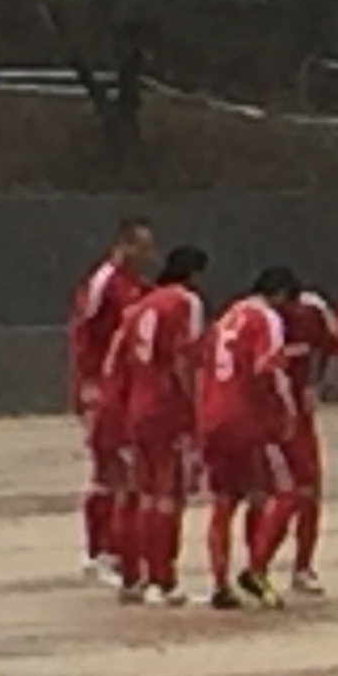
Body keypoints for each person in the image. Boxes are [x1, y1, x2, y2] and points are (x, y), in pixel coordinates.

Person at [98, 245, 206, 606]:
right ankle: (163, 578)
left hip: (135, 406)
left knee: (138, 493)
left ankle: (133, 576)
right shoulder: (184, 303)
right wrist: (194, 410)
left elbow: (116, 361)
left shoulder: (137, 308)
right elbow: (185, 359)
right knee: (168, 496)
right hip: (166, 408)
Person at [199, 268, 306, 609]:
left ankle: (219, 584)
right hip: (247, 418)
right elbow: (268, 368)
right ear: (280, 294)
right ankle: (256, 568)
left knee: (224, 501)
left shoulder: (226, 318)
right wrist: (287, 414)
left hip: (213, 416)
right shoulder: (266, 319)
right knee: (288, 492)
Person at [66, 217, 155, 583]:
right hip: (101, 389)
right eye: (143, 247)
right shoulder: (104, 282)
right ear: (124, 245)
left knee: (129, 469)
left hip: (126, 389)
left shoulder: (139, 286)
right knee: (108, 469)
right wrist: (88, 380)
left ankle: (120, 549)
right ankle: (98, 552)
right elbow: (82, 329)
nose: (149, 255)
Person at [278, 281, 338, 598]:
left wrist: (317, 383)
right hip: (267, 414)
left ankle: (302, 566)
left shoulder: (312, 310)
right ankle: (256, 566)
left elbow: (334, 345)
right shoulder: (255, 315)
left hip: (298, 418)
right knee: (264, 494)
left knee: (308, 491)